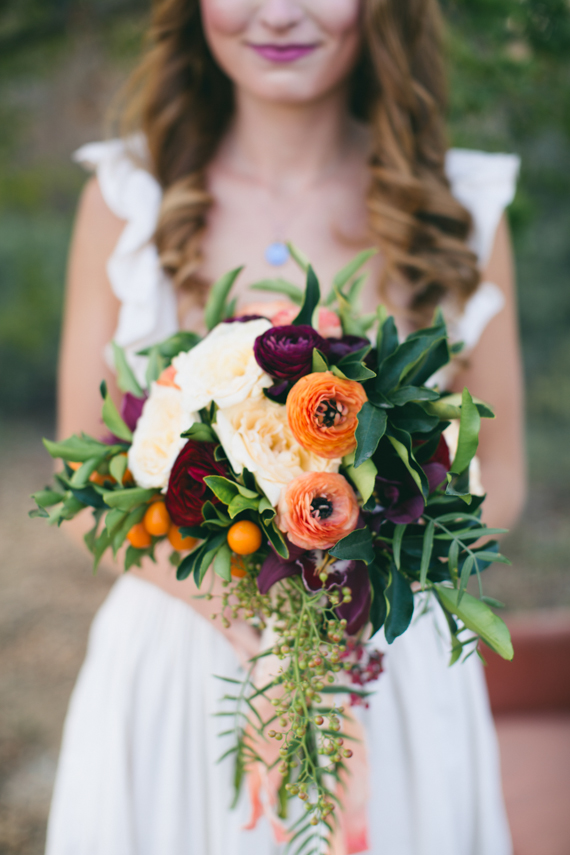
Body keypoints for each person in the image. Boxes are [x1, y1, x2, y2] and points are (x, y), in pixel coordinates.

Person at [47, 1, 526, 853]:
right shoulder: (127, 200)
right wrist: (259, 631)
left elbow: (507, 480)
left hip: (383, 669)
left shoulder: (456, 211)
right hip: (180, 668)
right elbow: (86, 489)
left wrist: (349, 600)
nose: (277, 12)